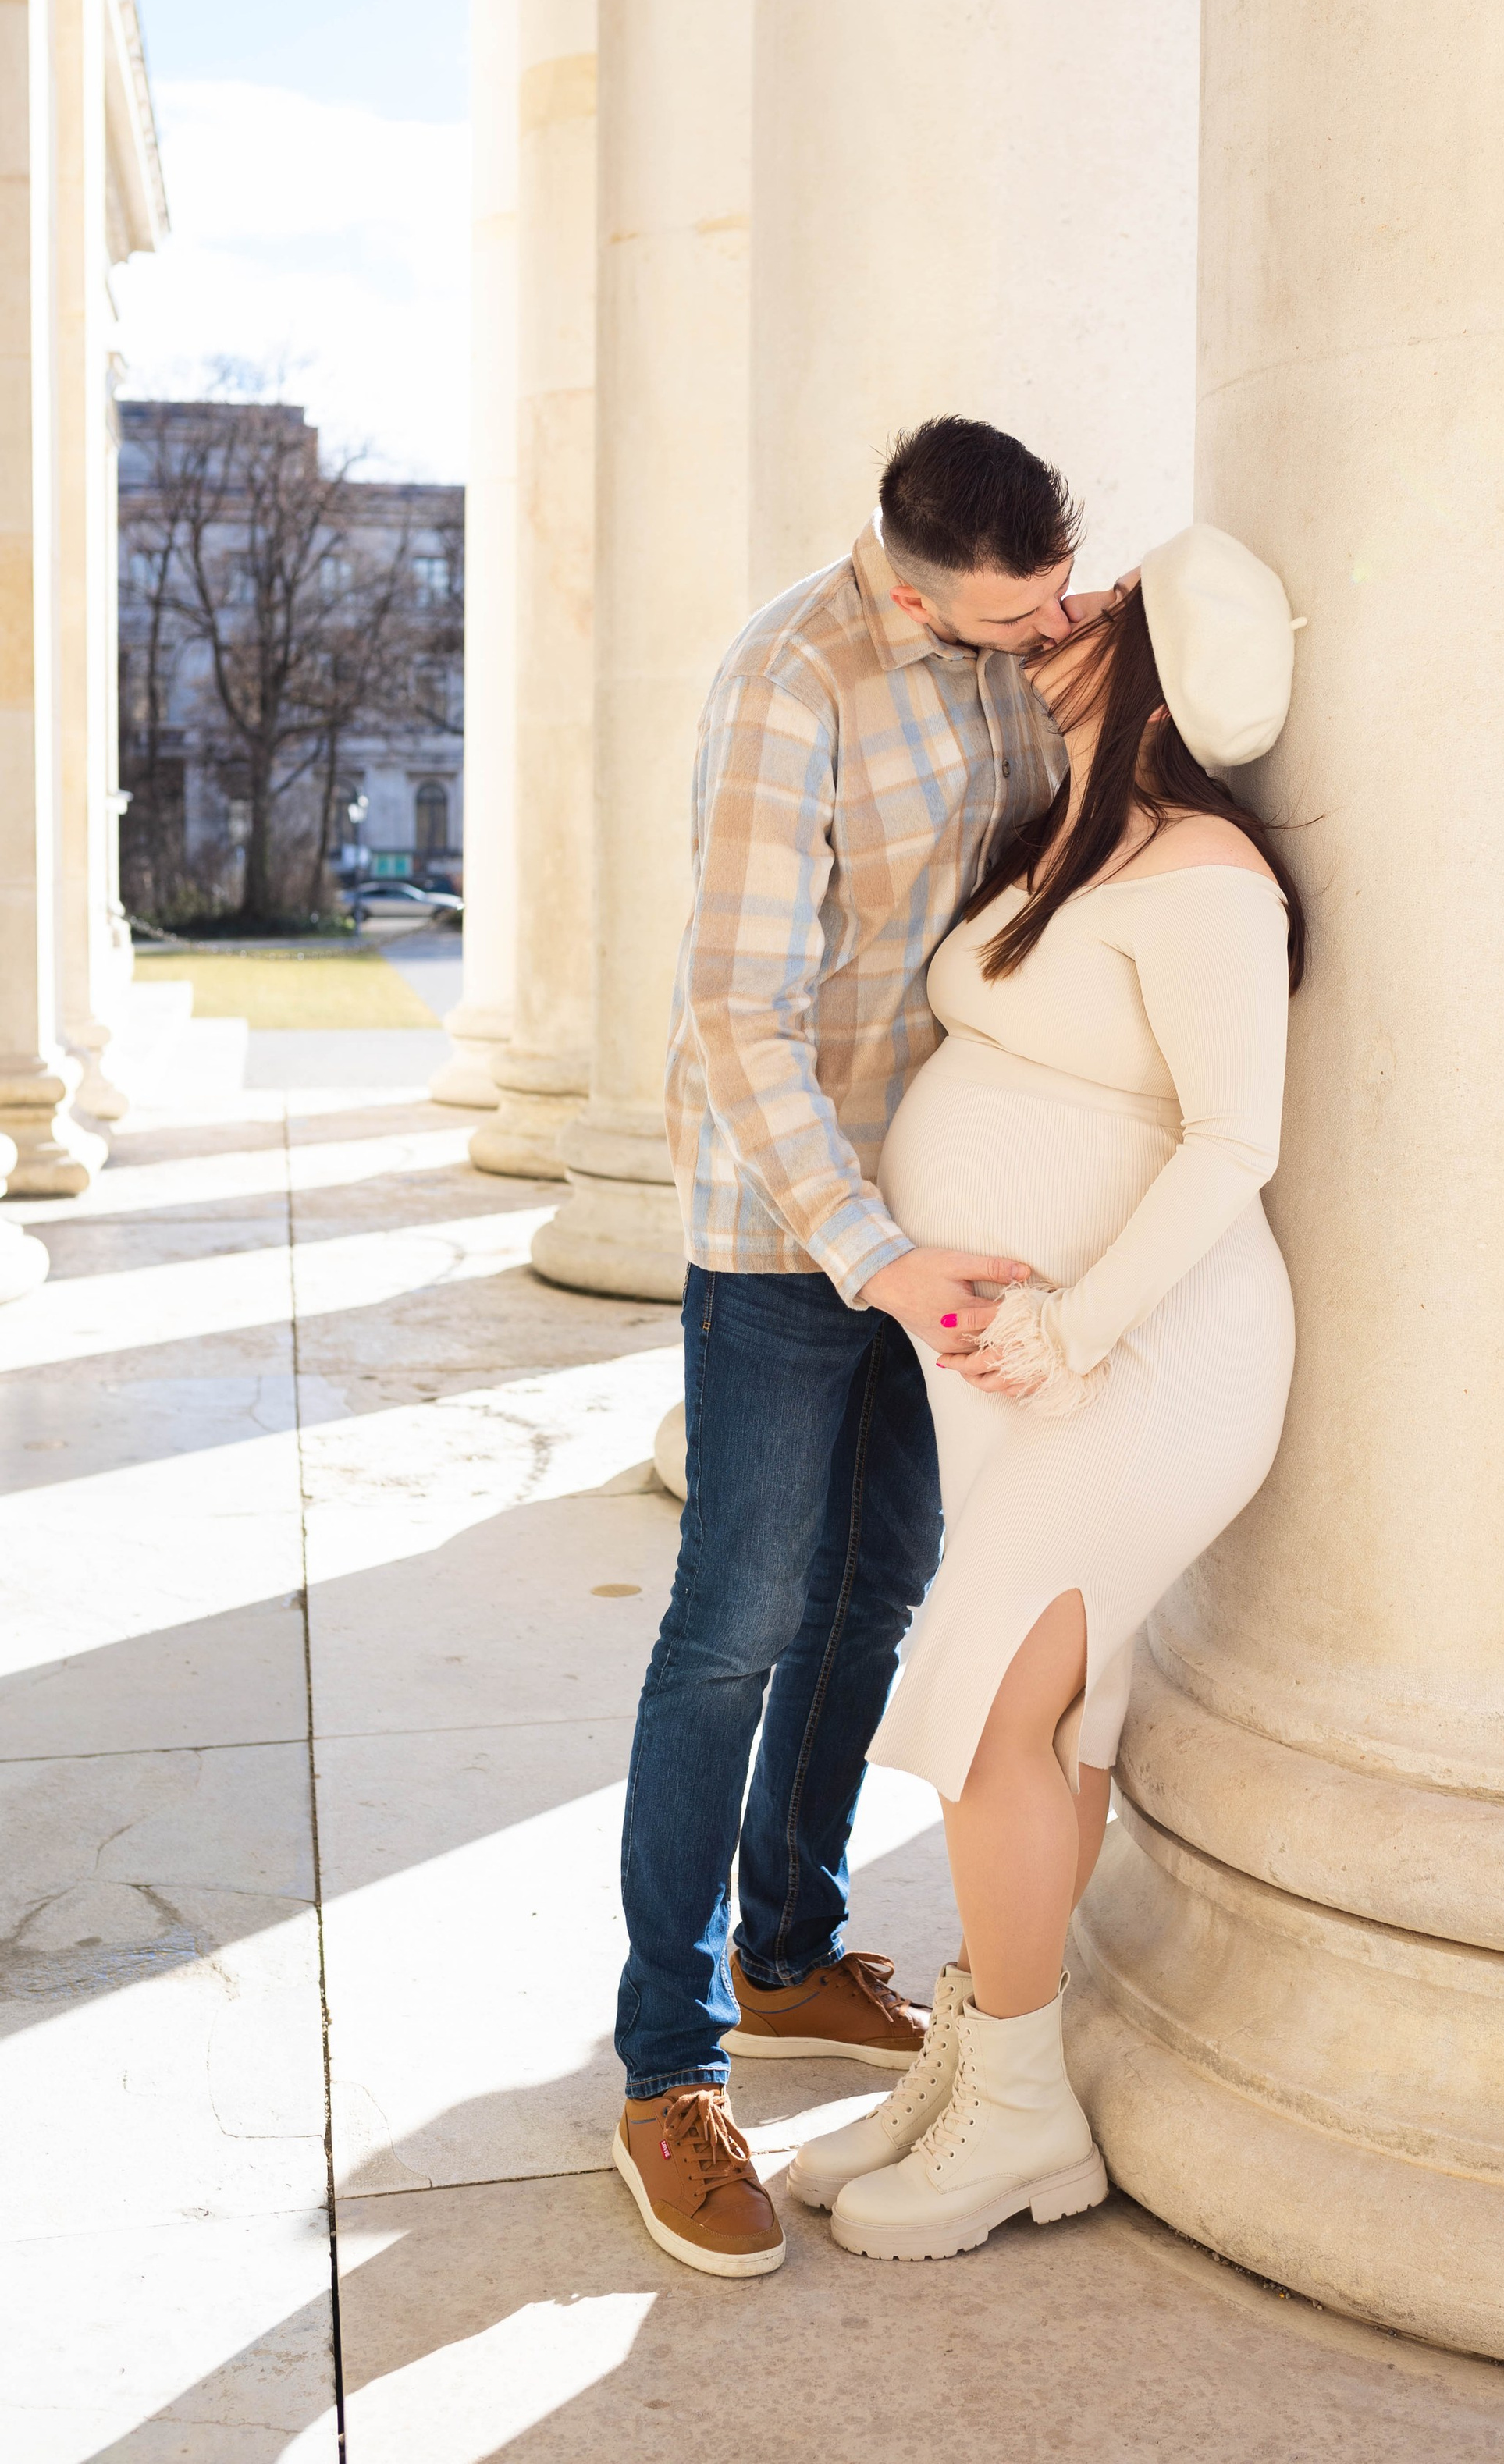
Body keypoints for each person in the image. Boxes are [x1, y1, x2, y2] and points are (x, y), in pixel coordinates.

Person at [787, 524, 1305, 2263]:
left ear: (1156, 658)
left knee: (993, 1720)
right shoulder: (1066, 844)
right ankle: (986, 2063)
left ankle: (1013, 2112)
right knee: (1052, 1728)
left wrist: (1079, 1331)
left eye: (1101, 600)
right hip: (1029, 1371)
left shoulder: (1203, 869)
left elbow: (1236, 1139)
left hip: (1152, 1365)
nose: (1060, 607)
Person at [612, 415, 1086, 2279]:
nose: (1017, 648)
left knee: (876, 1585)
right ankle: (665, 2067)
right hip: (794, 1225)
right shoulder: (786, 688)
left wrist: (1083, 638)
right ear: (903, 587)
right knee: (735, 1621)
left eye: (1040, 611)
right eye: (989, 628)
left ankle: (791, 1947)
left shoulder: (1013, 634)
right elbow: (737, 1021)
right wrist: (870, 1255)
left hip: (938, 1212)